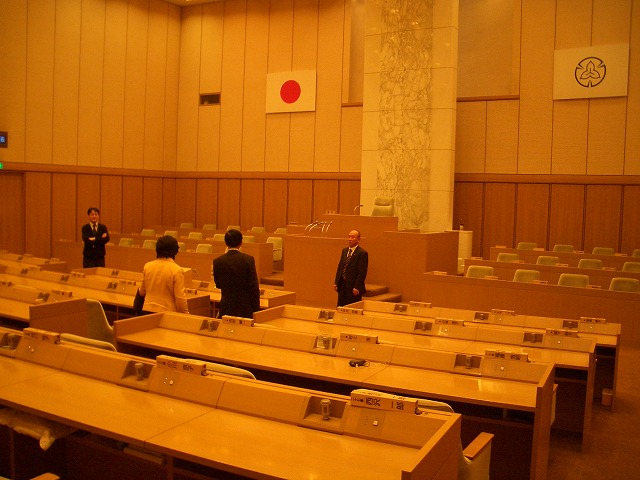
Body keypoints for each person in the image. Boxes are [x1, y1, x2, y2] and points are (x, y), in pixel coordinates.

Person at [213, 229, 260, 319]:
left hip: (226, 306)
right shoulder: (248, 260)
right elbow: (253, 286)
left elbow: (218, 284)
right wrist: (256, 309)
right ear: (241, 242)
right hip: (244, 307)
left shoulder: (218, 261)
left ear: (225, 242)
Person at [137, 235, 189, 314]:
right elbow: (180, 299)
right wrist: (187, 316)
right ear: (175, 251)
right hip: (166, 314)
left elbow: (141, 292)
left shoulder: (147, 266)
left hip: (146, 312)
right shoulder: (176, 270)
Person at [334, 229, 368, 307]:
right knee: (341, 307)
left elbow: (362, 272)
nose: (350, 239)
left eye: (352, 237)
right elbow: (340, 267)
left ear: (358, 239)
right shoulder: (344, 251)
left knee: (352, 308)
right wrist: (336, 282)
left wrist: (357, 287)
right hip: (342, 285)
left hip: (353, 287)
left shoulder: (362, 253)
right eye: (349, 237)